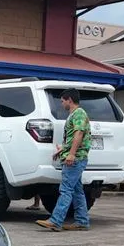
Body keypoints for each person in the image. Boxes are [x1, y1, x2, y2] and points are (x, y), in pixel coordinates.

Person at [37, 89, 91, 232]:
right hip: (77, 157)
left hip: (76, 159)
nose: (62, 104)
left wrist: (71, 154)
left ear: (69, 100)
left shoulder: (79, 113)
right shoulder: (75, 114)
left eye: (62, 101)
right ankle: (82, 221)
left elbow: (79, 133)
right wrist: (63, 149)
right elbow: (74, 136)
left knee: (66, 189)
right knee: (77, 191)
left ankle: (56, 220)